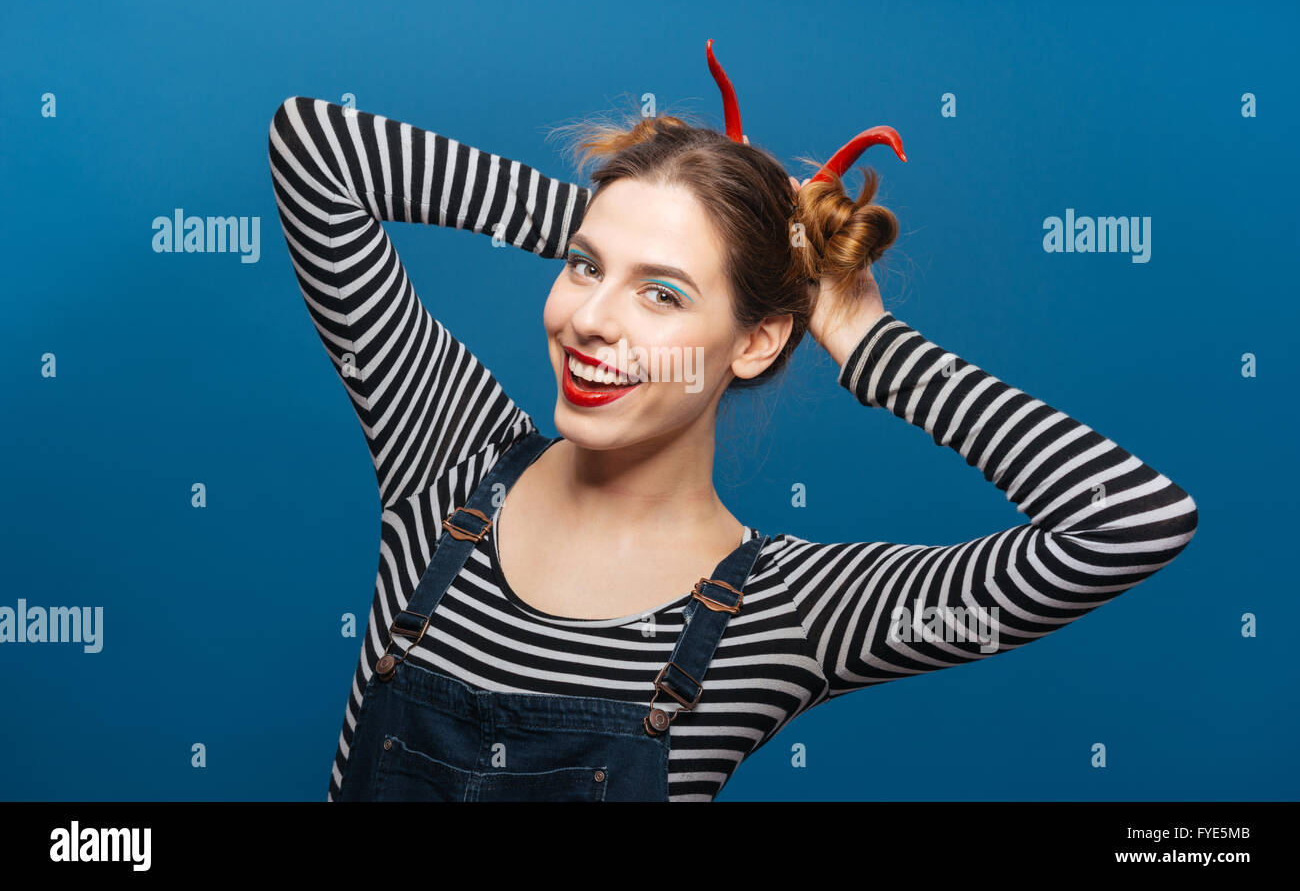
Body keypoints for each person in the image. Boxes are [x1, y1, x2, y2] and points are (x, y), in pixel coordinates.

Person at [265, 51, 1198, 801]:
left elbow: (1127, 523)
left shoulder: (785, 614)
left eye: (662, 295)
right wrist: (633, 218)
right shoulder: (449, 459)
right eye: (585, 269)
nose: (591, 320)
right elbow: (315, 150)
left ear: (755, 342)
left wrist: (866, 339)